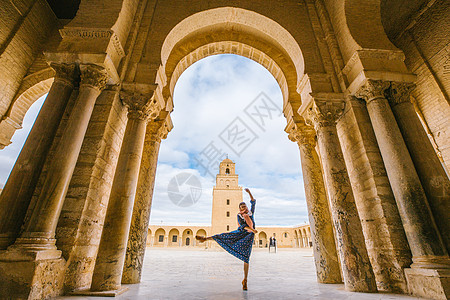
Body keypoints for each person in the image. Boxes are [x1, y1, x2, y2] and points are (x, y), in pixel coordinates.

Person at [196, 188, 257, 290]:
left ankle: (245, 280)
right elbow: (242, 226)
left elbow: (253, 202)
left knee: (246, 258)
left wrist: (249, 192)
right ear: (240, 209)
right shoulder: (239, 216)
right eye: (241, 207)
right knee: (224, 236)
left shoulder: (250, 213)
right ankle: (205, 239)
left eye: (244, 206)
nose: (243, 208)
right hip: (241, 233)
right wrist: (251, 229)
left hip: (249, 237)